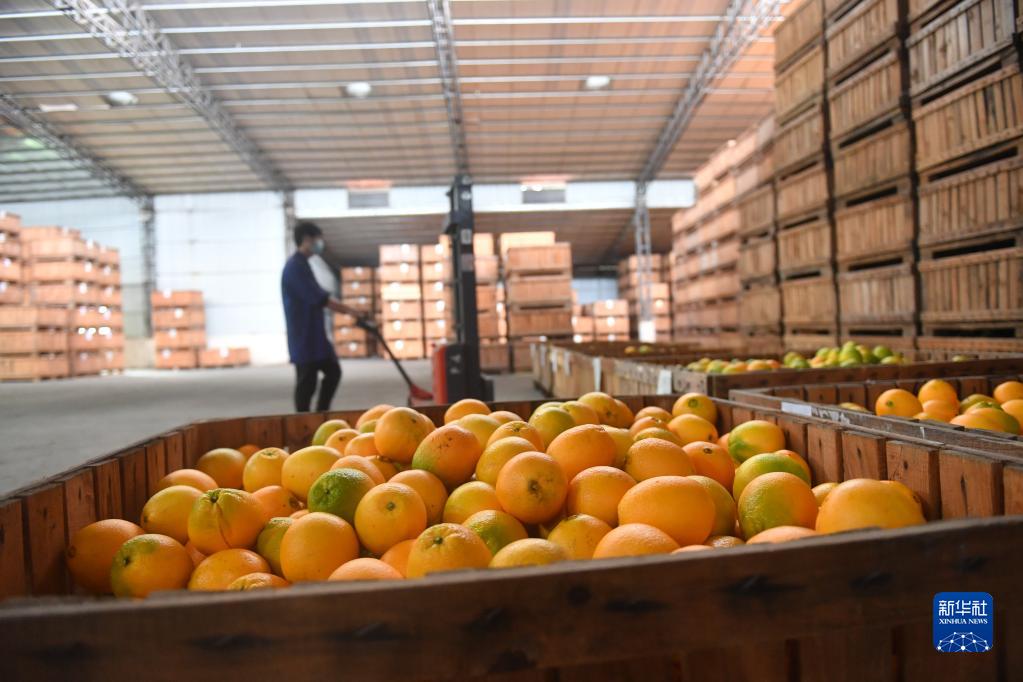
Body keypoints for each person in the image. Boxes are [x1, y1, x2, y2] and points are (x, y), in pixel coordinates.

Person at [281, 221, 362, 413]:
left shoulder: (303, 264)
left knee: (333, 372)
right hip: (303, 336)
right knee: (307, 382)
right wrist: (350, 311)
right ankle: (302, 421)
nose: (320, 244)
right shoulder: (295, 267)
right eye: (317, 239)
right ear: (306, 239)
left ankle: (321, 413)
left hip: (315, 336)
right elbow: (319, 298)